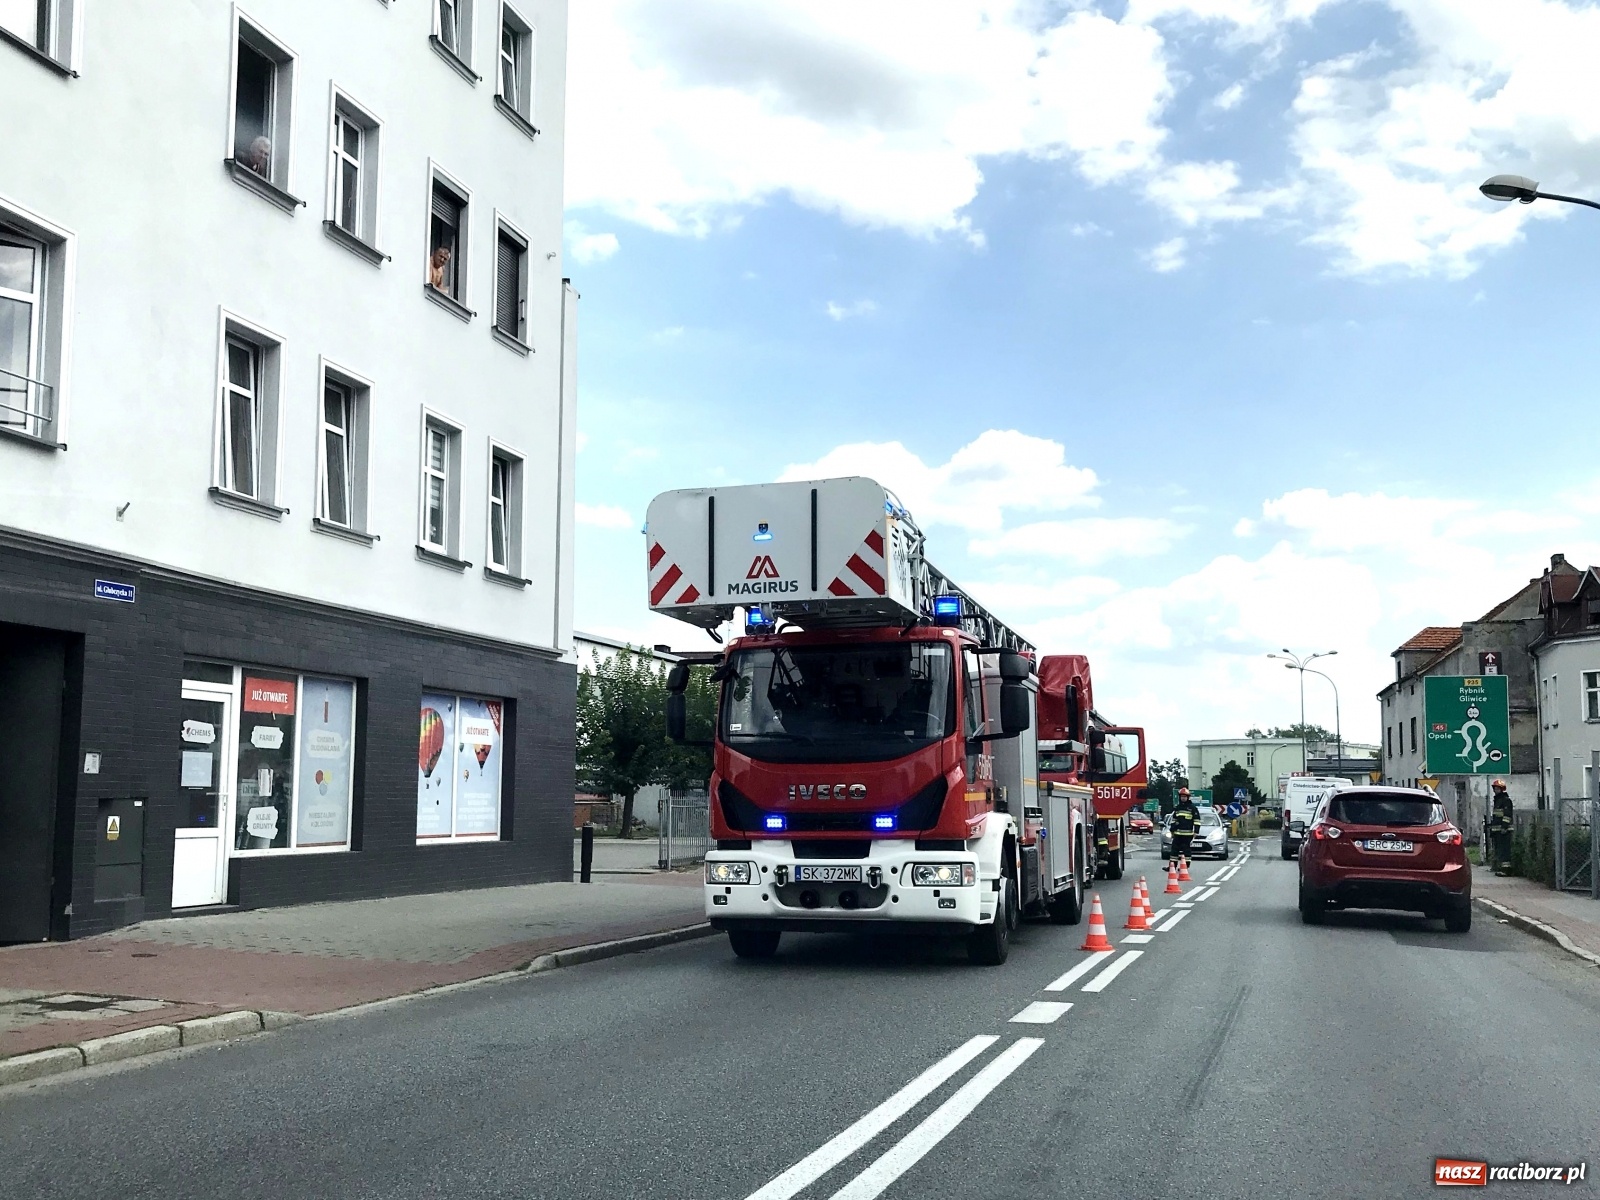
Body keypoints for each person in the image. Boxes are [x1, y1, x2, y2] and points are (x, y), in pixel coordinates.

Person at [1488, 779, 1514, 875]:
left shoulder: (1506, 801)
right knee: (1499, 850)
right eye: (1494, 788)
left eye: (1497, 788)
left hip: (1504, 831)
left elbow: (1507, 815)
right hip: (1497, 831)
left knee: (1504, 851)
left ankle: (1506, 870)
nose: (1495, 790)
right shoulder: (1497, 800)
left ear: (1502, 789)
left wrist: (1504, 827)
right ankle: (1500, 868)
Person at [1168, 788, 1199, 870]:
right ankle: (1172, 867)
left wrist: (1196, 831)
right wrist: (1172, 830)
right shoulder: (1177, 808)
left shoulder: (1192, 808)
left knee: (1186, 851)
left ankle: (1185, 867)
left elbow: (1197, 821)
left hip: (1187, 834)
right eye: (1182, 796)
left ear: (1188, 797)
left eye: (1185, 796)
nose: (1183, 798)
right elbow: (1174, 820)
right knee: (1174, 851)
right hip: (1177, 834)